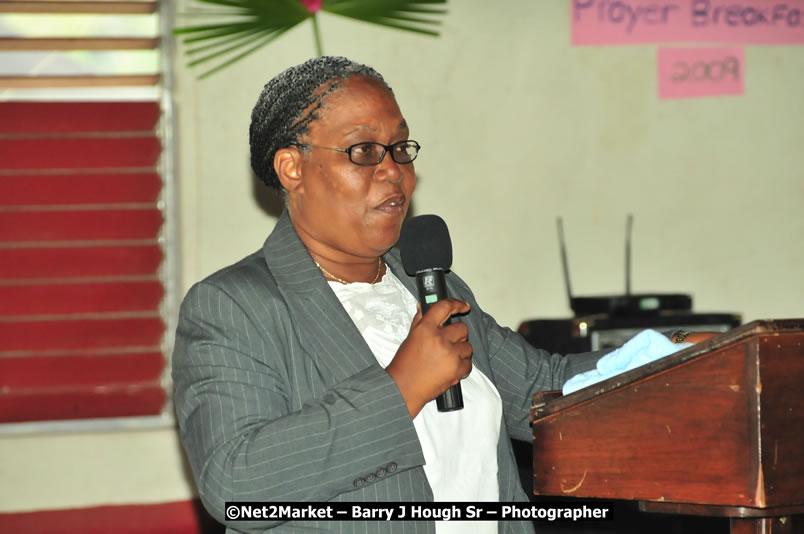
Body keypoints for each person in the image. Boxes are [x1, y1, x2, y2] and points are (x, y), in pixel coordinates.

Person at [171, 56, 706, 534]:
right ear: (292, 168)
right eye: (363, 151)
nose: (393, 171)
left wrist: (676, 355)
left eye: (400, 148)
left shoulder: (428, 283)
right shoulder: (234, 306)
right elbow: (235, 484)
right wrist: (401, 388)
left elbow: (544, 392)